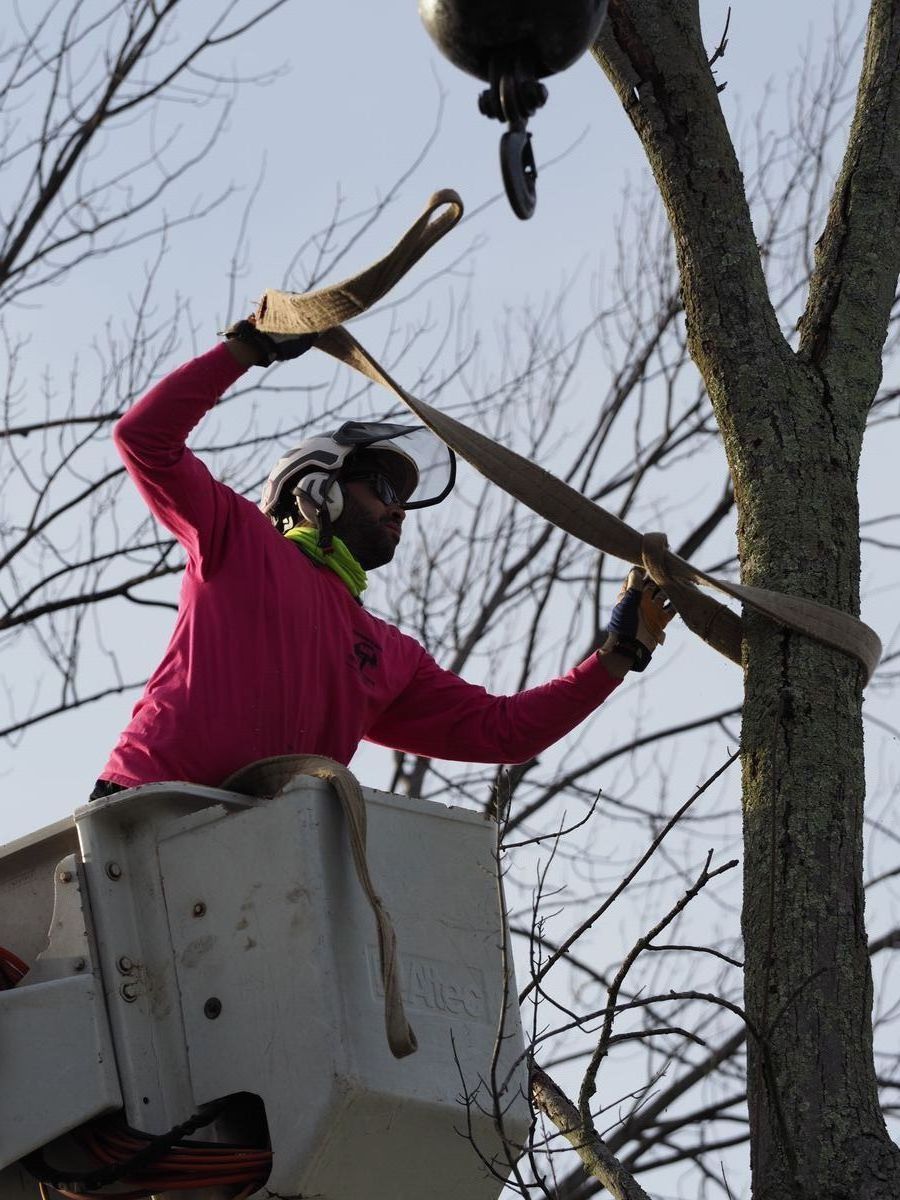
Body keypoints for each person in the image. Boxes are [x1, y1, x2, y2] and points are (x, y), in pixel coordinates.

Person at [89, 320, 672, 800]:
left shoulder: (389, 655)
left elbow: (503, 733)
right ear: (318, 488)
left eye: (406, 500)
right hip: (149, 807)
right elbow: (144, 438)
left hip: (262, 857)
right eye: (385, 491)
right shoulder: (237, 540)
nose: (400, 512)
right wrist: (248, 349)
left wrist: (616, 657)